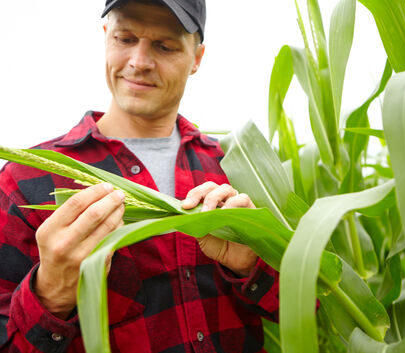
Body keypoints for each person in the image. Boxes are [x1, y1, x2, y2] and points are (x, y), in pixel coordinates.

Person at [0, 0, 279, 352]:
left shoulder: (238, 169)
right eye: (125, 38)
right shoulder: (27, 180)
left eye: (164, 46)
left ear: (197, 58)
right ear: (106, 38)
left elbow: (306, 308)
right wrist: (52, 295)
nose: (139, 62)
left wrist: (251, 267)